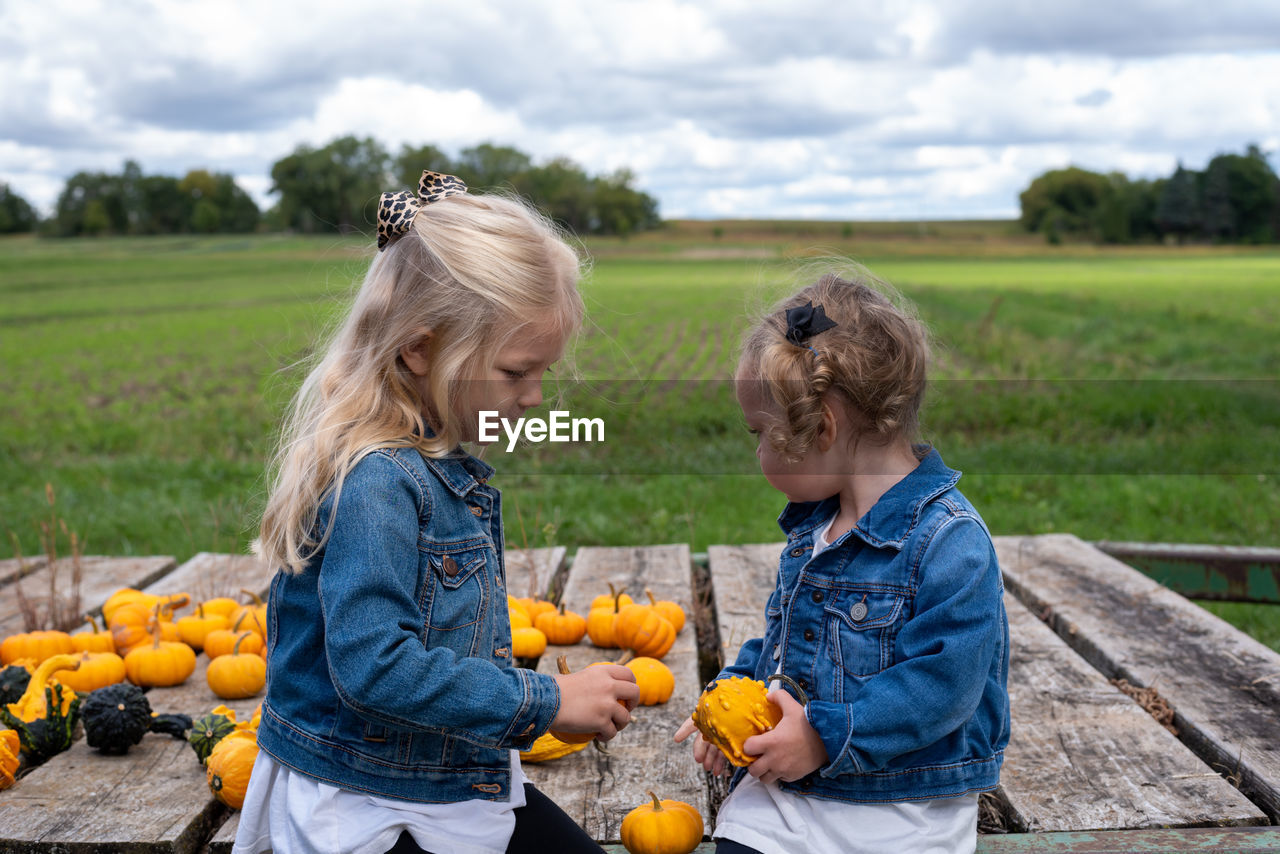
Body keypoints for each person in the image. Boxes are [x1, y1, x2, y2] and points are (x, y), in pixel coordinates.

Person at [233, 171, 639, 854]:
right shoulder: (381, 482)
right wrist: (545, 703)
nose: (535, 397)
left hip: (436, 770)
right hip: (368, 802)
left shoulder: (429, 464)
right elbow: (375, 668)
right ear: (419, 349)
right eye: (515, 372)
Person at [675, 269, 1010, 854]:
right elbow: (784, 644)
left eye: (759, 433)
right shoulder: (815, 528)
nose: (756, 452)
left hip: (901, 806)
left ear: (821, 428)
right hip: (789, 795)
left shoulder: (948, 540)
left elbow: (944, 684)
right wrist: (733, 694)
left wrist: (825, 737)